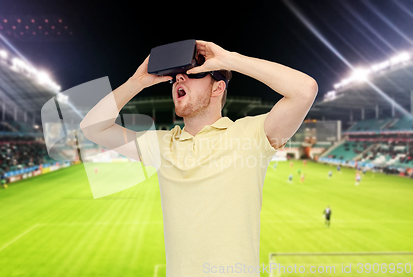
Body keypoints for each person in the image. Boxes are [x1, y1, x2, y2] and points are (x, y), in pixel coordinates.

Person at [80, 40, 318, 276]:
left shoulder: (250, 136)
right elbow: (92, 128)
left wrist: (229, 59)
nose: (179, 79)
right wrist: (136, 83)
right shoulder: (163, 145)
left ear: (218, 88)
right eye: (176, 77)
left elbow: (304, 90)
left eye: (193, 73)